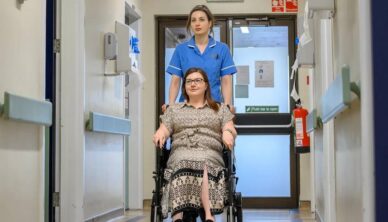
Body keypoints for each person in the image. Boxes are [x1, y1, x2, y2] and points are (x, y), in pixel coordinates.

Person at [153, 68, 237, 222]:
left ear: (206, 85)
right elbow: (164, 128)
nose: (193, 84)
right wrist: (161, 133)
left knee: (203, 162)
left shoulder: (219, 109)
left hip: (210, 152)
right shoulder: (174, 110)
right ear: (184, 86)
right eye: (189, 81)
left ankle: (208, 216)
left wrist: (227, 132)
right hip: (181, 150)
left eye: (198, 80)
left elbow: (229, 127)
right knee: (181, 161)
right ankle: (177, 217)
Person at [164, 4, 237, 113]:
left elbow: (226, 80)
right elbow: (175, 81)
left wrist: (227, 105)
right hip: (186, 108)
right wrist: (170, 105)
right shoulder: (181, 49)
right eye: (193, 20)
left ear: (210, 23)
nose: (197, 23)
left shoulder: (222, 49)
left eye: (201, 20)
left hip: (214, 107)